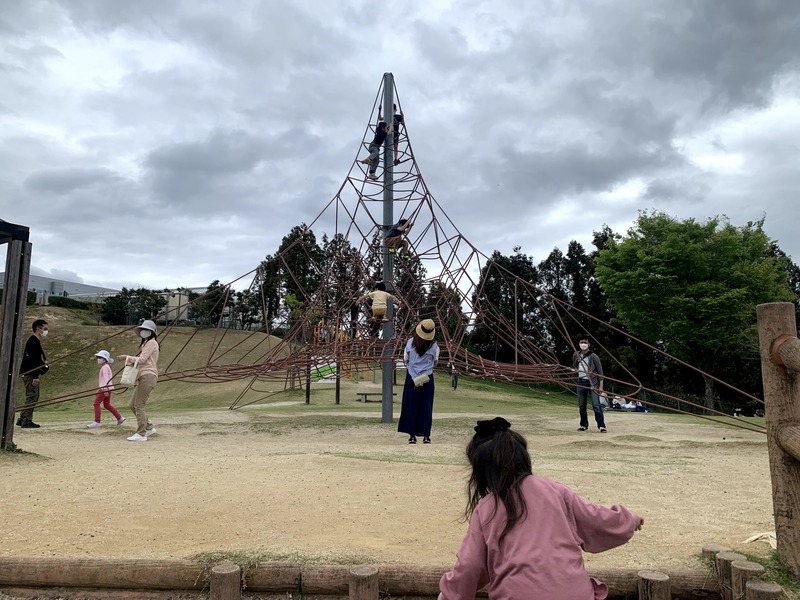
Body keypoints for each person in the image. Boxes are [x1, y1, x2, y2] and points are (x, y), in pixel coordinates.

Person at [438, 417, 644, 600]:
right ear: (524, 457)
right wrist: (630, 520)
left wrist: (449, 595)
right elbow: (599, 520)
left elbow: (470, 567)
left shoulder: (486, 508)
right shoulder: (556, 492)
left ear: (482, 472)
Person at [117, 319, 160, 442]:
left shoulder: (151, 343)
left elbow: (141, 360)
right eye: (142, 330)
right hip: (145, 377)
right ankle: (148, 427)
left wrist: (127, 357)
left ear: (152, 332)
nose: (143, 332)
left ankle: (141, 433)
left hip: (148, 376)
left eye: (146, 330)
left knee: (139, 405)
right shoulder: (147, 343)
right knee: (132, 405)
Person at [398, 319, 439, 444]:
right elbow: (435, 362)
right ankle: (426, 435)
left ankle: (412, 436)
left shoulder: (410, 343)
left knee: (411, 406)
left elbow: (405, 359)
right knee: (426, 407)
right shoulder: (434, 346)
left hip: (411, 378)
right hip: (427, 378)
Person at [17, 319, 49, 428]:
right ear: (38, 329)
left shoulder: (34, 341)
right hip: (30, 373)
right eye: (45, 329)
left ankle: (22, 418)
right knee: (32, 396)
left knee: (31, 396)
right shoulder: (33, 342)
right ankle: (26, 420)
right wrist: (36, 376)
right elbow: (33, 361)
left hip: (29, 372)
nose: (46, 331)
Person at [572, 337, 607, 433]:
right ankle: (583, 425)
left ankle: (601, 426)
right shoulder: (576, 355)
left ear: (589, 344)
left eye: (585, 342)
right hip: (580, 382)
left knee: (596, 405)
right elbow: (575, 366)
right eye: (581, 342)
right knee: (582, 405)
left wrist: (601, 386)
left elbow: (600, 372)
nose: (583, 344)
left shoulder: (594, 356)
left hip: (593, 382)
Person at [87, 350, 125, 428]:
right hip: (107, 388)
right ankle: (120, 418)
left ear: (104, 359)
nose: (98, 359)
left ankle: (97, 421)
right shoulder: (106, 367)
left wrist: (105, 389)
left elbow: (106, 378)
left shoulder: (105, 367)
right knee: (107, 405)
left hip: (105, 388)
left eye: (99, 357)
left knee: (96, 403)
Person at [359, 108, 393, 180]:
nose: (386, 128)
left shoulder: (380, 131)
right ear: (383, 128)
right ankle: (368, 159)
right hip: (374, 146)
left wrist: (388, 126)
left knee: (376, 161)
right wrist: (391, 126)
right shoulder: (382, 133)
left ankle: (372, 173)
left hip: (375, 146)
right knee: (375, 153)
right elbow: (389, 133)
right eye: (385, 127)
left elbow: (386, 130)